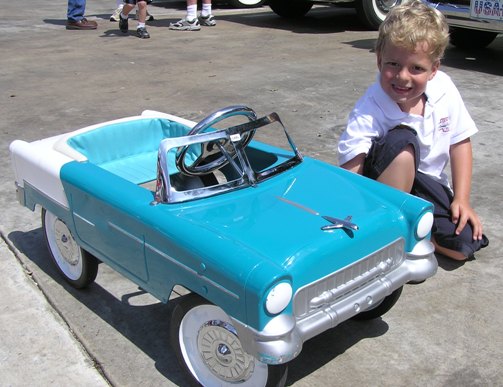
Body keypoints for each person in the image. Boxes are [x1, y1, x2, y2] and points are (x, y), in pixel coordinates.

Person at [337, 0, 488, 261]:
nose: (403, 77)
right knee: (403, 142)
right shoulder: (369, 108)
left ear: (434, 70)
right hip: (383, 189)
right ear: (379, 59)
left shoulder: (444, 88)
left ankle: (414, 230)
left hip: (427, 186)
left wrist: (461, 199)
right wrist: (351, 218)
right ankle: (386, 234)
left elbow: (460, 142)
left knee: (463, 246)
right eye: (393, 64)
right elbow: (352, 170)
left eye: (416, 68)